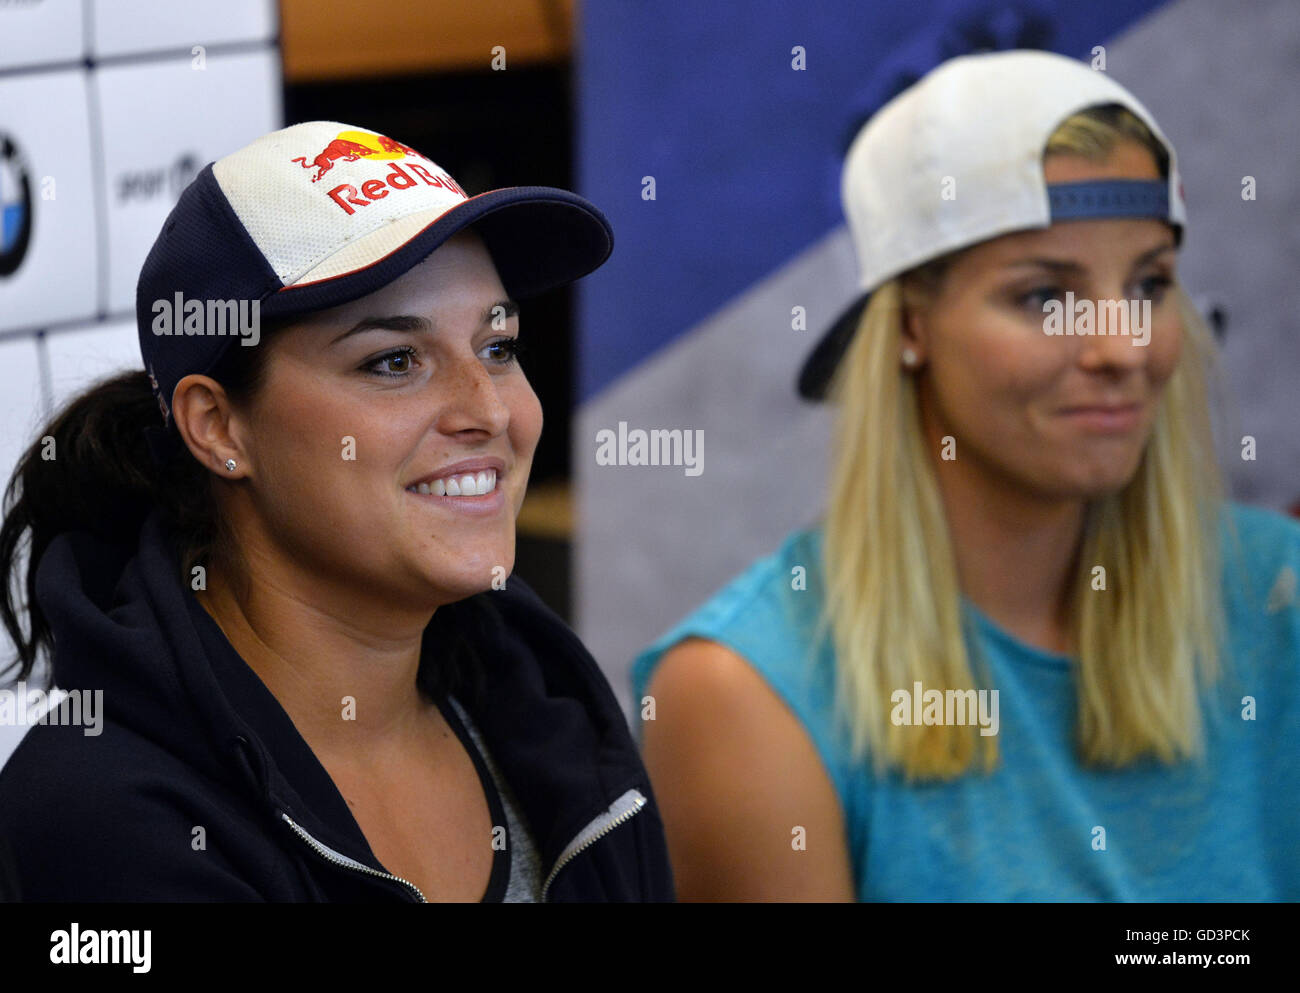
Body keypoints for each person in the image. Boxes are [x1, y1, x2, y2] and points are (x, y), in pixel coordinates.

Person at [633, 50, 1300, 901]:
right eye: (1044, 297)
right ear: (911, 325)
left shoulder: (1282, 597)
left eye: (1148, 285)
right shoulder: (746, 690)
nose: (1124, 349)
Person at [0, 120, 674, 902]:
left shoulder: (550, 705)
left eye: (498, 346)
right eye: (394, 361)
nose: (488, 410)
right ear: (218, 427)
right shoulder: (99, 815)